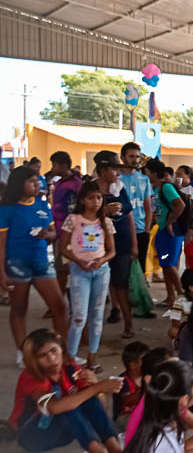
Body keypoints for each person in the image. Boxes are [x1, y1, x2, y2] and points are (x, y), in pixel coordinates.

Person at [7, 328, 123, 453]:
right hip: (32, 436)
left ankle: (113, 445)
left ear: (61, 349)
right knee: (63, 404)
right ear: (33, 360)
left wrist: (94, 384)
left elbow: (96, 403)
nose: (51, 359)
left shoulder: (69, 367)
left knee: (86, 396)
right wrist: (97, 387)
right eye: (42, 355)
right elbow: (53, 408)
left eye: (54, 351)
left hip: (66, 433)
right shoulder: (30, 377)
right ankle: (98, 452)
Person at [0, 166, 68, 361]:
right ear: (19, 184)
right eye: (31, 181)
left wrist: (48, 235)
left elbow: (54, 233)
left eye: (37, 181)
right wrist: (2, 273)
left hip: (41, 262)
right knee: (19, 308)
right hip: (16, 264)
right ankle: (24, 352)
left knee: (60, 306)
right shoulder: (6, 209)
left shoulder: (43, 205)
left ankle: (61, 351)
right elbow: (1, 243)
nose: (37, 184)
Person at [59, 181, 116, 370]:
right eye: (91, 198)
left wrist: (102, 260)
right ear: (82, 200)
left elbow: (111, 251)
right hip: (79, 272)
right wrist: (78, 261)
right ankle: (71, 358)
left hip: (101, 271)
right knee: (79, 316)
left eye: (99, 197)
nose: (95, 201)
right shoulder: (73, 219)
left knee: (97, 315)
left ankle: (93, 357)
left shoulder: (105, 222)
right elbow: (62, 247)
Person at [94, 157, 138, 338]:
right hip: (96, 244)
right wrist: (104, 210)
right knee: (96, 289)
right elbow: (80, 214)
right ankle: (90, 331)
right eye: (114, 169)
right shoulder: (89, 189)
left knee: (122, 284)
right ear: (103, 170)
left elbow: (129, 216)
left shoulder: (119, 188)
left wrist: (134, 243)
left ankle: (128, 324)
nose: (118, 173)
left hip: (122, 241)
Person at [146, 160, 187, 309]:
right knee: (165, 263)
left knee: (169, 264)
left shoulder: (166, 187)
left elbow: (180, 204)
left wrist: (170, 221)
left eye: (148, 172)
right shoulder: (156, 188)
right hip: (163, 230)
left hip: (171, 231)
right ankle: (171, 297)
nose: (146, 175)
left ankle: (182, 294)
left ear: (154, 173)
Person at [49, 151, 82, 297]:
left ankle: (60, 302)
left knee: (65, 268)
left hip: (70, 233)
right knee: (60, 268)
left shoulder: (76, 185)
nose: (52, 168)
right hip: (57, 230)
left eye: (54, 165)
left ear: (63, 165)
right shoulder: (57, 183)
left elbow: (79, 208)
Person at [119, 142, 154, 270]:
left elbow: (148, 207)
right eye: (131, 156)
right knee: (122, 271)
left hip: (141, 230)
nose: (135, 160)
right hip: (121, 229)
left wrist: (147, 230)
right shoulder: (116, 179)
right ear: (123, 157)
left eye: (137, 157)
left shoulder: (144, 179)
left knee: (139, 270)